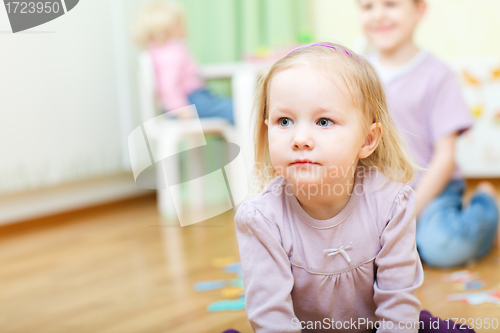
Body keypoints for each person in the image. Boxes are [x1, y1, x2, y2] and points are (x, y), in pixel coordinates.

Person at [234, 43, 474, 333]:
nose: (300, 138)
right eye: (284, 121)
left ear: (367, 140)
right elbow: (271, 319)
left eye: (324, 121)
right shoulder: (260, 218)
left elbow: (398, 305)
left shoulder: (391, 204)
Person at [359, 0, 499, 268]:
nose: (378, 15)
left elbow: (445, 157)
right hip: (376, 193)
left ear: (419, 11)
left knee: (442, 248)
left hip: (431, 188)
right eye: (367, 7)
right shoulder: (358, 74)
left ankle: (485, 203)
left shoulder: (437, 75)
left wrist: (409, 214)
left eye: (390, 5)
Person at [131, 1, 234, 124]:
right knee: (235, 109)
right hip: (191, 100)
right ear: (166, 29)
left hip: (179, 103)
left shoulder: (156, 51)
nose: (184, 27)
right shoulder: (172, 52)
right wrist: (179, 108)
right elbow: (169, 84)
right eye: (179, 24)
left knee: (228, 106)